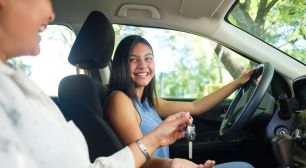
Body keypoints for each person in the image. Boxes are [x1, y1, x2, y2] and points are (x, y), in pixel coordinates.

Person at [0, 1, 205, 168]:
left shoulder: (17, 84)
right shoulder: (118, 100)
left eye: (148, 58)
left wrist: (162, 145)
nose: (50, 13)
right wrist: (170, 162)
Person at [104, 35, 255, 168]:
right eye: (133, 59)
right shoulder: (119, 100)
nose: (143, 65)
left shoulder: (148, 102)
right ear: (121, 65)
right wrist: (175, 164)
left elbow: (195, 106)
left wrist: (238, 82)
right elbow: (139, 160)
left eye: (148, 58)